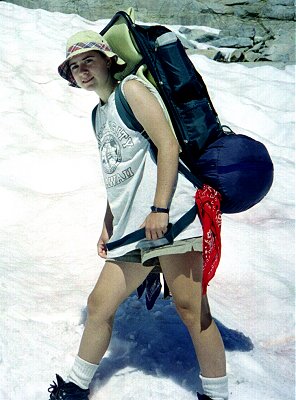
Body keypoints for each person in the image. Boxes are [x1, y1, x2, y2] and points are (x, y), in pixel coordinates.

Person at [48, 30, 229, 400]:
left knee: (191, 309)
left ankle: (217, 395)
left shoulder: (130, 90)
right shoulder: (98, 115)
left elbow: (167, 144)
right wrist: (107, 224)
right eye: (74, 66)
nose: (82, 70)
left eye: (89, 60)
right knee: (99, 305)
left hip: (171, 218)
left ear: (108, 61)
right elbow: (119, 174)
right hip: (133, 229)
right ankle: (76, 387)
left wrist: (160, 208)